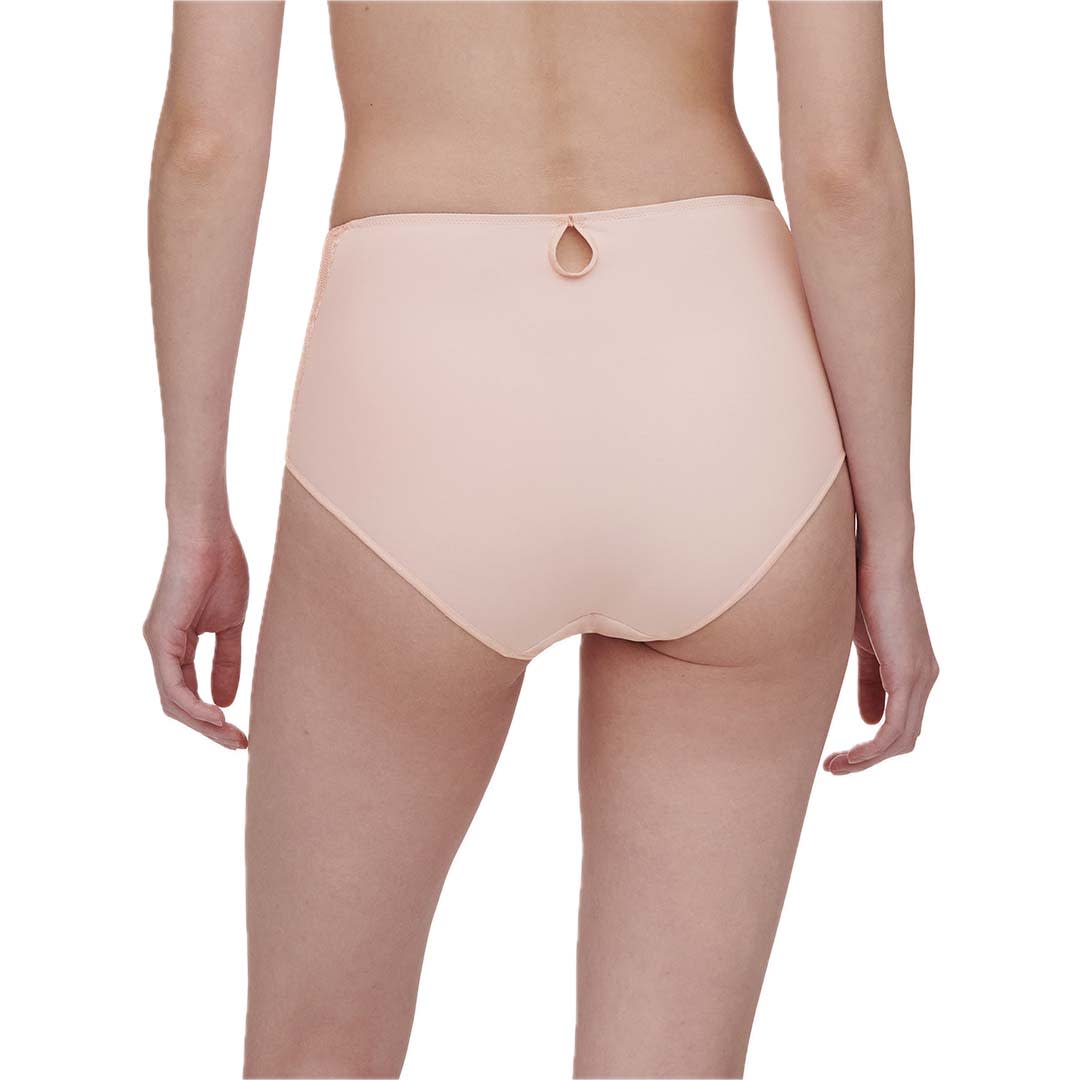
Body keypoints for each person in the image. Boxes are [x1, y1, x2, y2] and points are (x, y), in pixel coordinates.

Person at [143, 3, 938, 1077]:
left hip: (427, 380)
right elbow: (846, 165)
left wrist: (194, 515)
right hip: (723, 380)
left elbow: (207, 140)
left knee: (316, 1049)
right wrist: (890, 538)